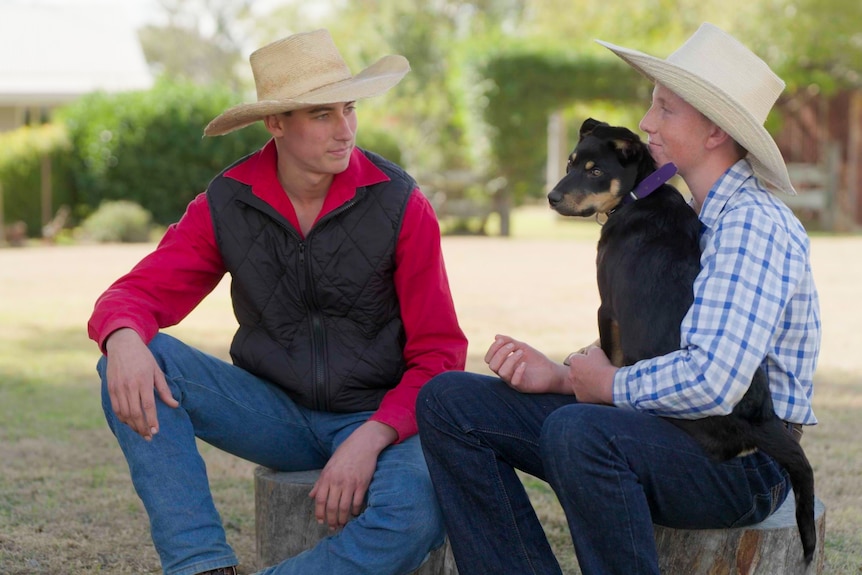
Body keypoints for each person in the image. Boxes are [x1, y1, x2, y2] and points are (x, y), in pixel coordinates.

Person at [416, 22, 820, 575]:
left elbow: (714, 379)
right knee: (448, 402)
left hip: (741, 460)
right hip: (668, 428)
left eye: (666, 109)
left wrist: (607, 386)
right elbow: (662, 333)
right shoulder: (693, 215)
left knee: (578, 432)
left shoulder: (752, 227)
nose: (647, 123)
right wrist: (566, 377)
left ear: (714, 133)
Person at [88, 29, 467, 575]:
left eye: (349, 109)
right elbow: (138, 292)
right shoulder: (228, 201)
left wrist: (372, 437)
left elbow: (440, 353)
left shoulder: (400, 204)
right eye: (321, 115)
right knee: (133, 361)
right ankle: (201, 565)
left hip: (381, 418)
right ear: (276, 122)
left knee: (420, 511)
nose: (345, 131)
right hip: (274, 414)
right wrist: (122, 337)